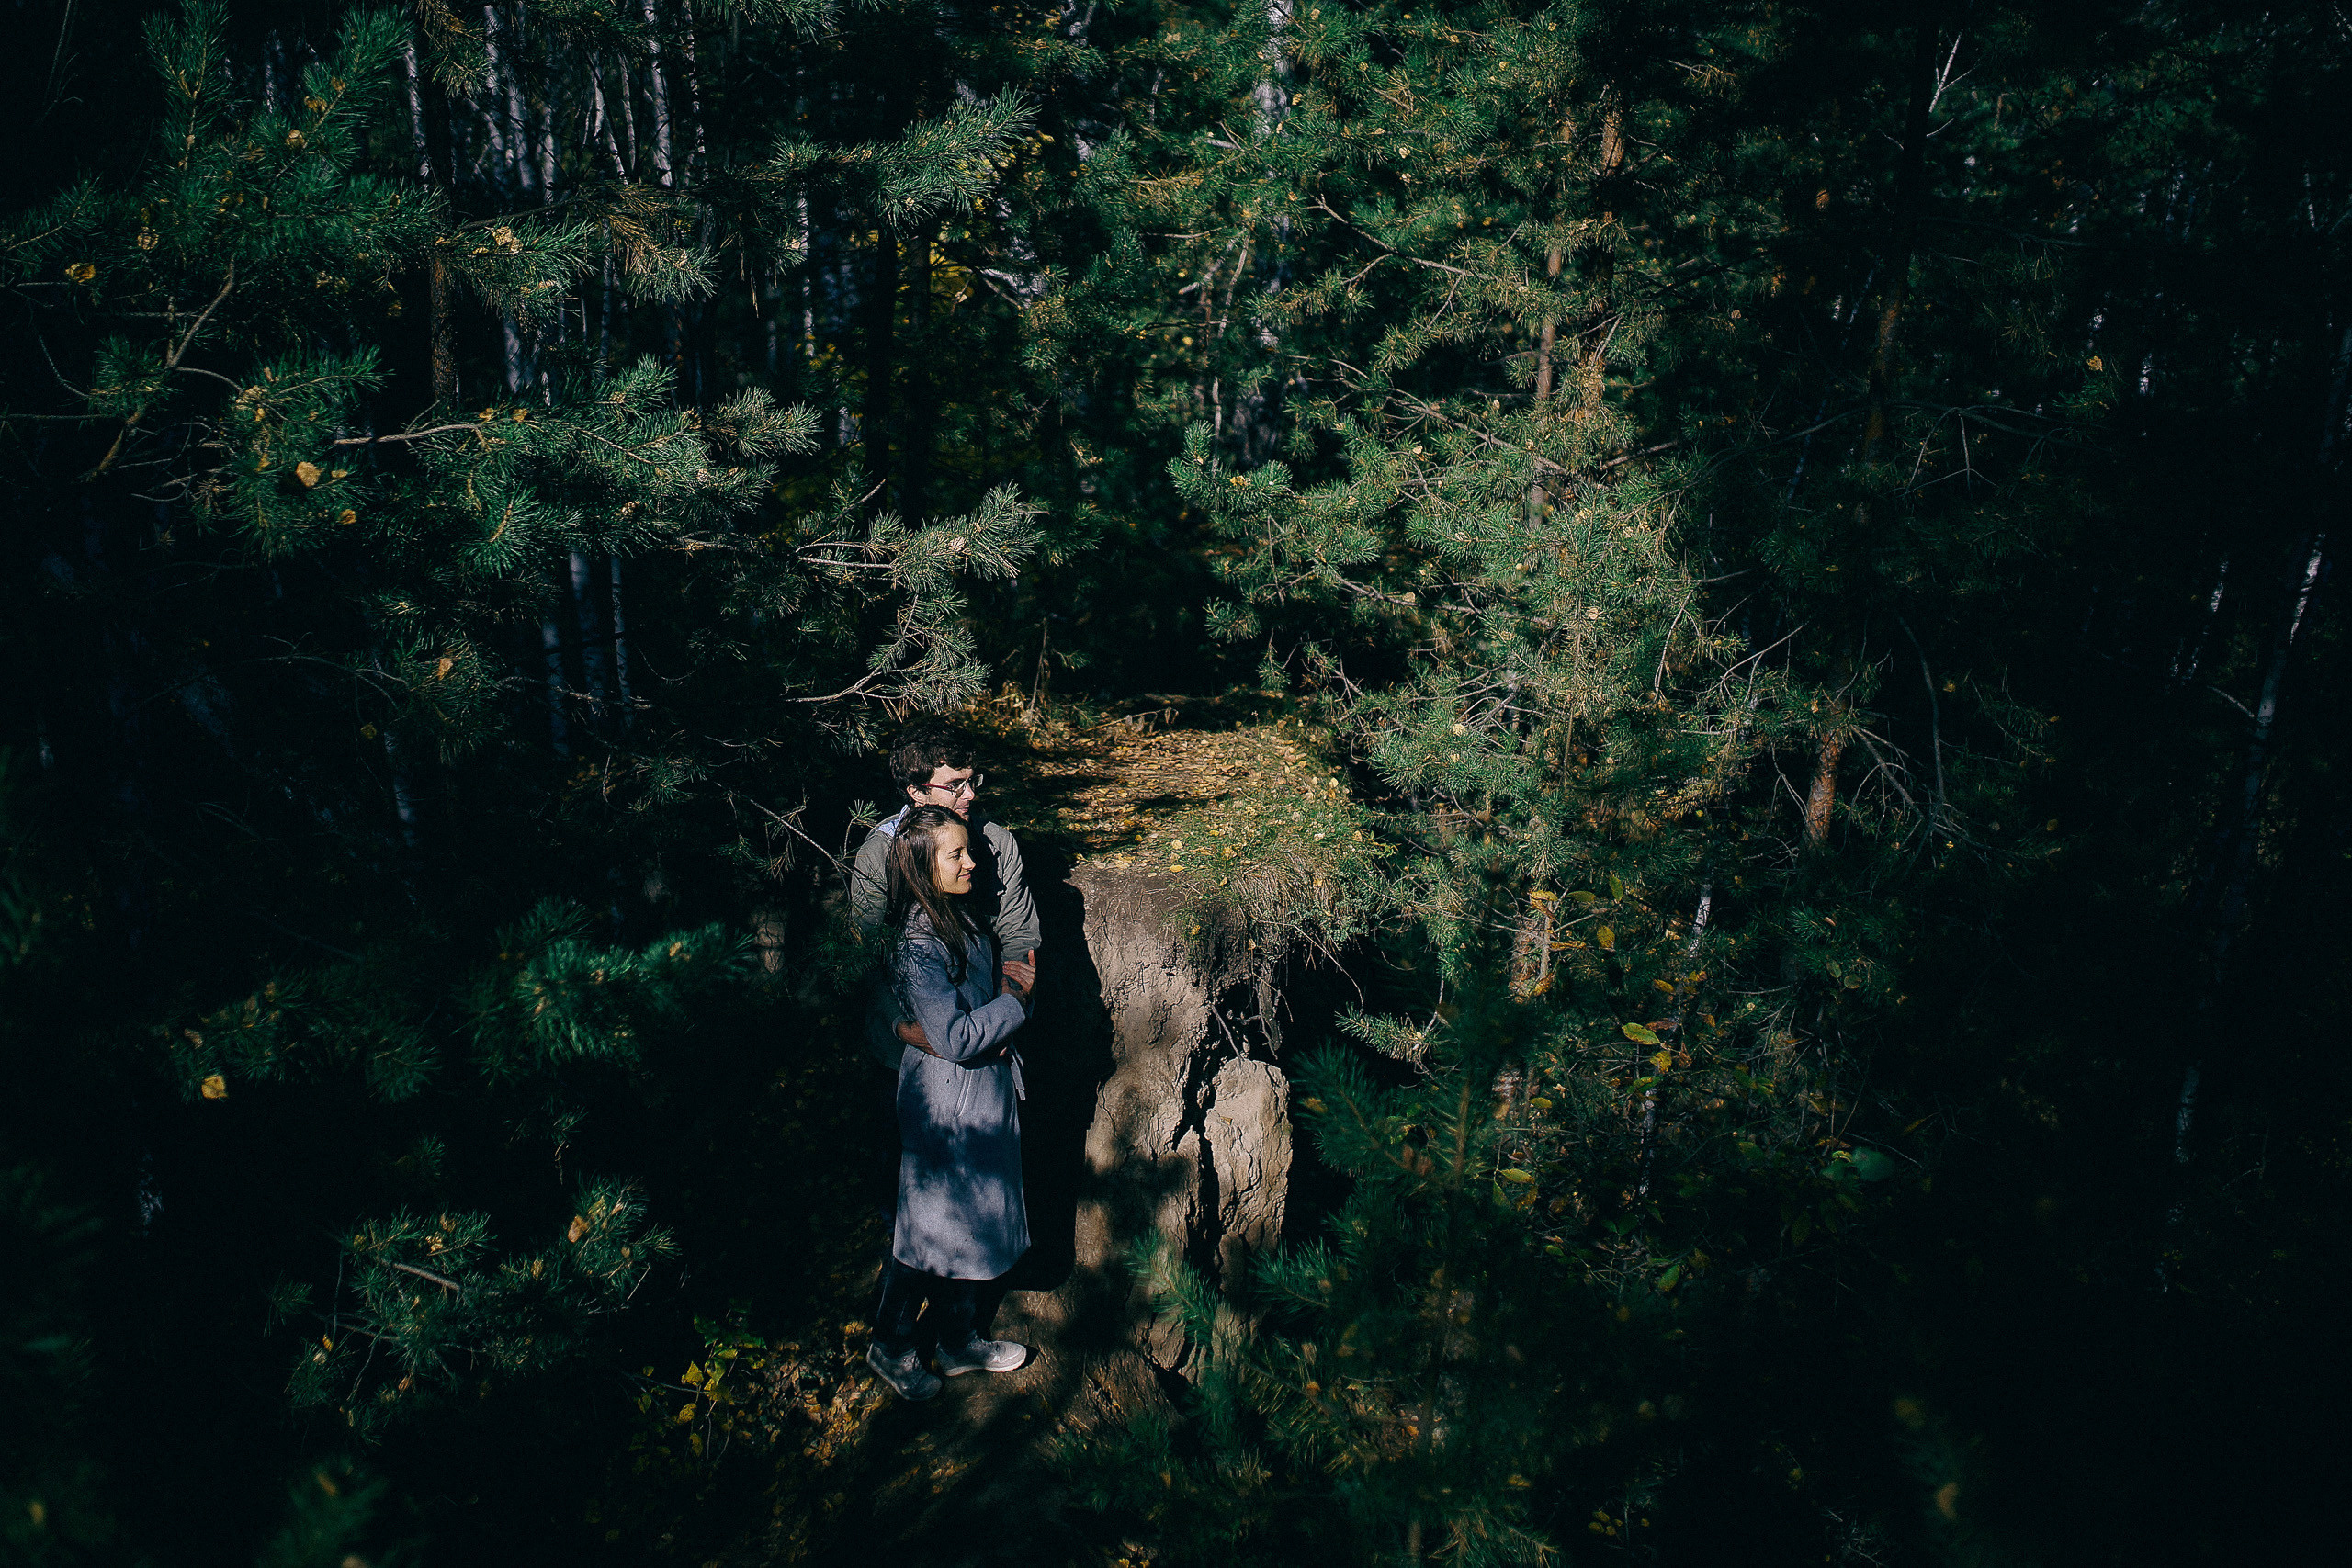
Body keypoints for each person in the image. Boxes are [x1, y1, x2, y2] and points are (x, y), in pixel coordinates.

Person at [865, 805, 1038, 1400]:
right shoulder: (917, 942)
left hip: (977, 1098)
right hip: (945, 1105)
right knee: (925, 1235)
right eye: (956, 854)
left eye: (970, 850)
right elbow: (954, 1037)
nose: (973, 862)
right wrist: (1016, 1000)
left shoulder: (955, 916)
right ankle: (889, 1344)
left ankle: (957, 1340)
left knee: (968, 1222)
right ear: (920, 867)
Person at [851, 722, 1041, 1064]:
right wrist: (900, 1026)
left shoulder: (996, 843)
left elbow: (1018, 935)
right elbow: (864, 952)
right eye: (954, 785)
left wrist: (1003, 1018)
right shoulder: (880, 853)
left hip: (987, 1024)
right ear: (916, 792)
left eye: (971, 781)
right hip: (906, 1047)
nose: (970, 795)